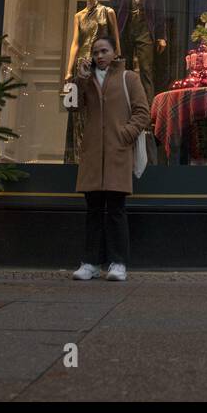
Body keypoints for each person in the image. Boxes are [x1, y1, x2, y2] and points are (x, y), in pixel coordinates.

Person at [66, 36, 150, 282]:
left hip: (117, 153)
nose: (99, 56)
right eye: (95, 52)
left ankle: (118, 263)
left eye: (104, 51)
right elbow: (72, 107)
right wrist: (80, 80)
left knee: (115, 210)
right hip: (93, 153)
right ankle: (90, 262)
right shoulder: (86, 79)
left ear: (115, 53)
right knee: (93, 210)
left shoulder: (129, 78)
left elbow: (142, 113)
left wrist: (125, 135)